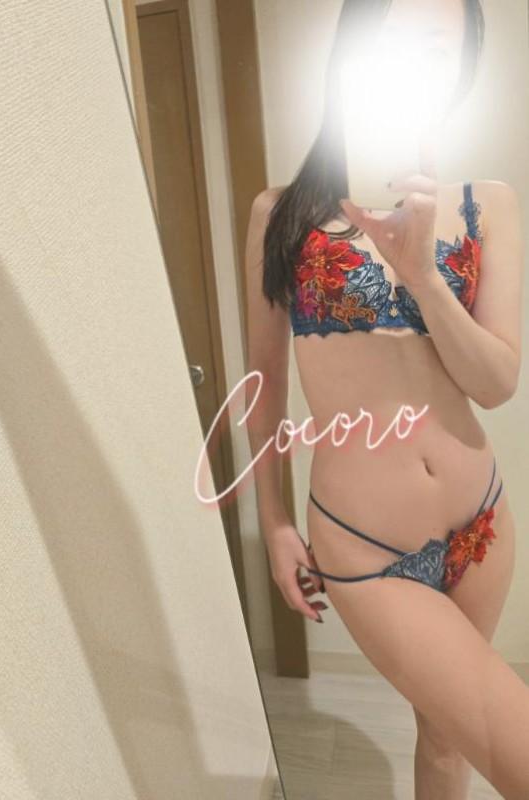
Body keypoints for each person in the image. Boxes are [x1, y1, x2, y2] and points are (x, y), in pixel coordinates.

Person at [244, 0, 529, 797]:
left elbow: (496, 383)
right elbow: (264, 388)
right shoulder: (280, 216)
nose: (413, 64)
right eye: (391, 43)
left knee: (446, 745)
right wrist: (274, 523)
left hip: (482, 523)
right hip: (365, 548)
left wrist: (426, 277)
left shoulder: (487, 204)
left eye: (437, 50)